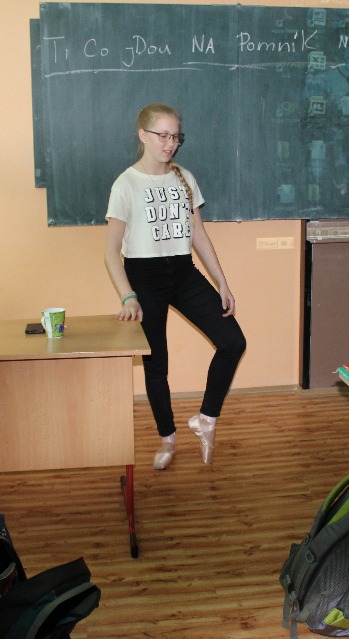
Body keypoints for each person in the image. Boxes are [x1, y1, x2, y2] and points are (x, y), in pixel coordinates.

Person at [105, 102, 246, 470]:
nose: (170, 144)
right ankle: (167, 438)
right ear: (143, 135)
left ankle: (206, 420)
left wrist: (222, 282)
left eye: (175, 137)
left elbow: (199, 234)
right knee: (157, 365)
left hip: (183, 273)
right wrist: (128, 296)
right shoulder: (126, 184)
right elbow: (110, 252)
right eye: (162, 136)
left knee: (233, 342)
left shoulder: (184, 177)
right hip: (144, 278)